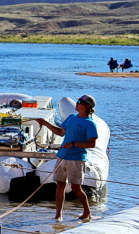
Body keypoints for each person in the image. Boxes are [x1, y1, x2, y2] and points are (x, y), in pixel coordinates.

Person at [35, 94, 97, 222]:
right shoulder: (71, 117)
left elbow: (92, 144)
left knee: (76, 188)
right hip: (62, 157)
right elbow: (60, 132)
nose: (77, 103)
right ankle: (58, 214)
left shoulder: (89, 124)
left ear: (86, 106)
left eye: (79, 102)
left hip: (76, 159)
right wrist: (45, 123)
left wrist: (74, 144)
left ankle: (87, 212)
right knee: (60, 185)